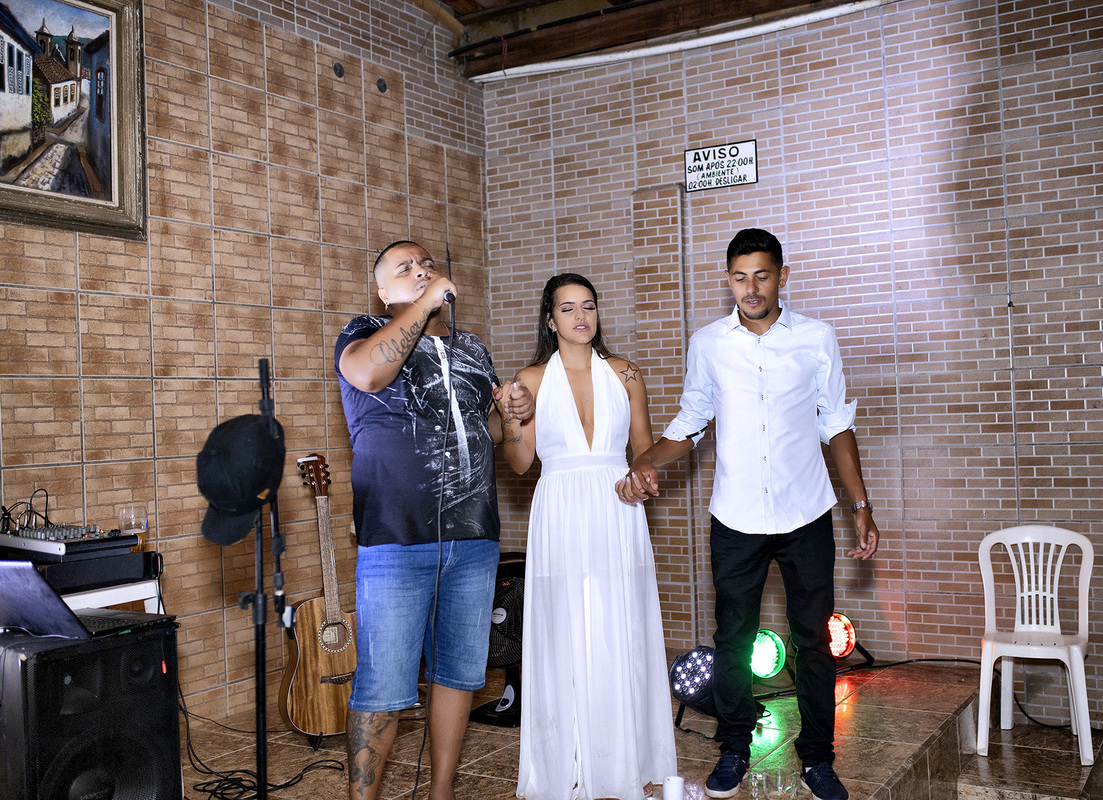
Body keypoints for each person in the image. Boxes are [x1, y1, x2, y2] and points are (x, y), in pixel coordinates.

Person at [618, 229, 881, 800]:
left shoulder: (815, 337)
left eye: (762, 275)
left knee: (812, 641)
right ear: (729, 280)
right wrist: (645, 459)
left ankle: (818, 759)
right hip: (735, 518)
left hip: (807, 512)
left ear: (782, 275)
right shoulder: (709, 343)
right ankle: (735, 746)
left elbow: (837, 424)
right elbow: (691, 420)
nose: (751, 288)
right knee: (733, 640)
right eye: (740, 277)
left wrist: (860, 505)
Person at [336, 240, 531, 800]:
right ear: (383, 292)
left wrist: (513, 416)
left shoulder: (473, 348)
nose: (421, 271)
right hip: (396, 539)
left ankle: (442, 791)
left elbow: (490, 437)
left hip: (473, 538)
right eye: (406, 269)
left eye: (427, 265)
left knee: (459, 674)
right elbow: (367, 376)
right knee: (382, 687)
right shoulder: (362, 332)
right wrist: (423, 305)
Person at [501, 273, 678, 800]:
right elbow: (519, 463)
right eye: (568, 308)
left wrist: (641, 478)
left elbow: (643, 448)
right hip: (559, 510)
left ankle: (628, 761)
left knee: (622, 627)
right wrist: (510, 420)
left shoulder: (625, 373)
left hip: (616, 509)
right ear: (550, 319)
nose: (581, 317)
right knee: (564, 631)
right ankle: (567, 763)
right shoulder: (530, 379)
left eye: (589, 306)